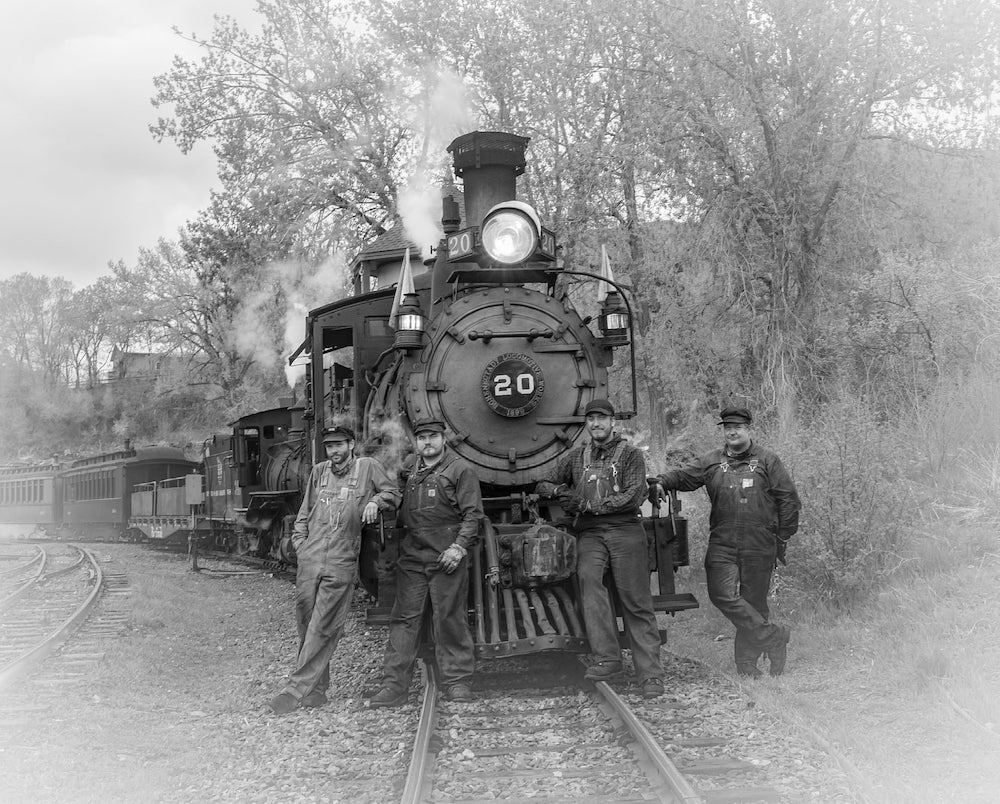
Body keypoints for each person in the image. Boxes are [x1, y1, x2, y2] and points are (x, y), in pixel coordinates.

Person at [655, 406, 801, 678]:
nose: (731, 431)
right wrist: (662, 482)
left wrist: (782, 536)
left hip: (760, 541)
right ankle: (774, 637)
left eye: (737, 427)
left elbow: (789, 500)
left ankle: (746, 665)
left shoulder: (768, 461)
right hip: (722, 541)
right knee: (721, 594)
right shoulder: (711, 461)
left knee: (754, 602)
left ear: (748, 429)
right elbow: (684, 476)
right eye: (727, 427)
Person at [536, 398, 665, 699]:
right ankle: (608, 658)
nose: (596, 424)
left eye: (601, 419)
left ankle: (650, 674)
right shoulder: (577, 456)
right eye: (591, 419)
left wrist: (591, 504)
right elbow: (543, 483)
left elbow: (634, 495)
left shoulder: (631, 455)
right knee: (590, 586)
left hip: (625, 530)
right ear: (587, 424)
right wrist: (559, 491)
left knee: (635, 599)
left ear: (612, 422)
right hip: (590, 533)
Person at [269, 425, 400, 714]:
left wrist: (376, 501)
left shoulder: (368, 468)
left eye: (340, 445)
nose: (335, 451)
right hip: (310, 557)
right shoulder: (319, 472)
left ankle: (295, 690)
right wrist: (301, 544)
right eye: (330, 446)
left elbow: (394, 493)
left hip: (341, 558)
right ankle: (317, 689)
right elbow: (305, 511)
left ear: (352, 444)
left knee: (324, 625)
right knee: (306, 622)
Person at [369, 419, 484, 706]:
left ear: (443, 439)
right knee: (404, 619)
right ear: (416, 442)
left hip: (446, 555)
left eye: (432, 437)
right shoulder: (409, 468)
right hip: (412, 554)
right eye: (422, 438)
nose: (427, 442)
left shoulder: (460, 469)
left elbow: (473, 515)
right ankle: (394, 685)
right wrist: (377, 501)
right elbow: (393, 495)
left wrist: (458, 547)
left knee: (449, 617)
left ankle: (457, 681)